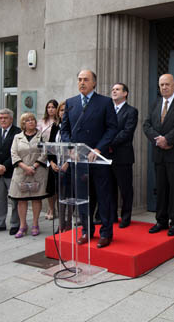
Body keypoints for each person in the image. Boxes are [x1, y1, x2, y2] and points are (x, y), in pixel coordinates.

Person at [61, 70, 118, 248]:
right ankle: (86, 230)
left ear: (94, 83)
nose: (82, 82)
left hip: (98, 159)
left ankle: (106, 233)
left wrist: (98, 148)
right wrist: (70, 148)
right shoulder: (71, 103)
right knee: (83, 197)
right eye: (79, 79)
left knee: (103, 197)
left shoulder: (105, 102)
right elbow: (64, 130)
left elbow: (112, 128)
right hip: (79, 161)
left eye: (86, 79)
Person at [143, 73, 174, 236]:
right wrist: (158, 140)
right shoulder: (156, 103)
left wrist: (168, 139)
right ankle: (161, 220)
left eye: (167, 84)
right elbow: (146, 124)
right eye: (161, 85)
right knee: (161, 189)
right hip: (159, 154)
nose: (164, 87)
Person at [8, 113, 49, 238]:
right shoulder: (17, 137)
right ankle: (22, 225)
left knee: (36, 199)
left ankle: (35, 224)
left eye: (32, 120)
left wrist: (33, 166)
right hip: (21, 172)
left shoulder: (42, 136)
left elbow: (44, 153)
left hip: (37, 171)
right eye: (27, 120)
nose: (31, 122)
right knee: (22, 200)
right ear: (23, 123)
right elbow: (13, 153)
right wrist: (25, 167)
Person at [108, 83, 138, 229]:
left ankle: (126, 217)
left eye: (117, 89)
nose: (114, 91)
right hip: (107, 156)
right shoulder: (108, 110)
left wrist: (108, 142)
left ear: (125, 93)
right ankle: (112, 216)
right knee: (110, 188)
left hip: (123, 156)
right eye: (113, 89)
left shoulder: (131, 111)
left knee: (125, 189)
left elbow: (127, 132)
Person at [49, 101, 72, 233]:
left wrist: (68, 162)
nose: (63, 113)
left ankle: (68, 223)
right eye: (61, 110)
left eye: (65, 110)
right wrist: (52, 162)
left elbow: (76, 147)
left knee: (69, 196)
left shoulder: (73, 126)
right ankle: (61, 223)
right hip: (57, 167)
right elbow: (50, 146)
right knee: (60, 196)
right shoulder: (55, 126)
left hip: (69, 167)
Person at [38, 99, 59, 220]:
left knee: (53, 184)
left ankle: (56, 208)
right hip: (43, 153)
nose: (50, 109)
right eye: (48, 107)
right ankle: (51, 208)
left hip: (54, 154)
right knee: (47, 184)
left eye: (53, 107)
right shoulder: (42, 122)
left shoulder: (59, 122)